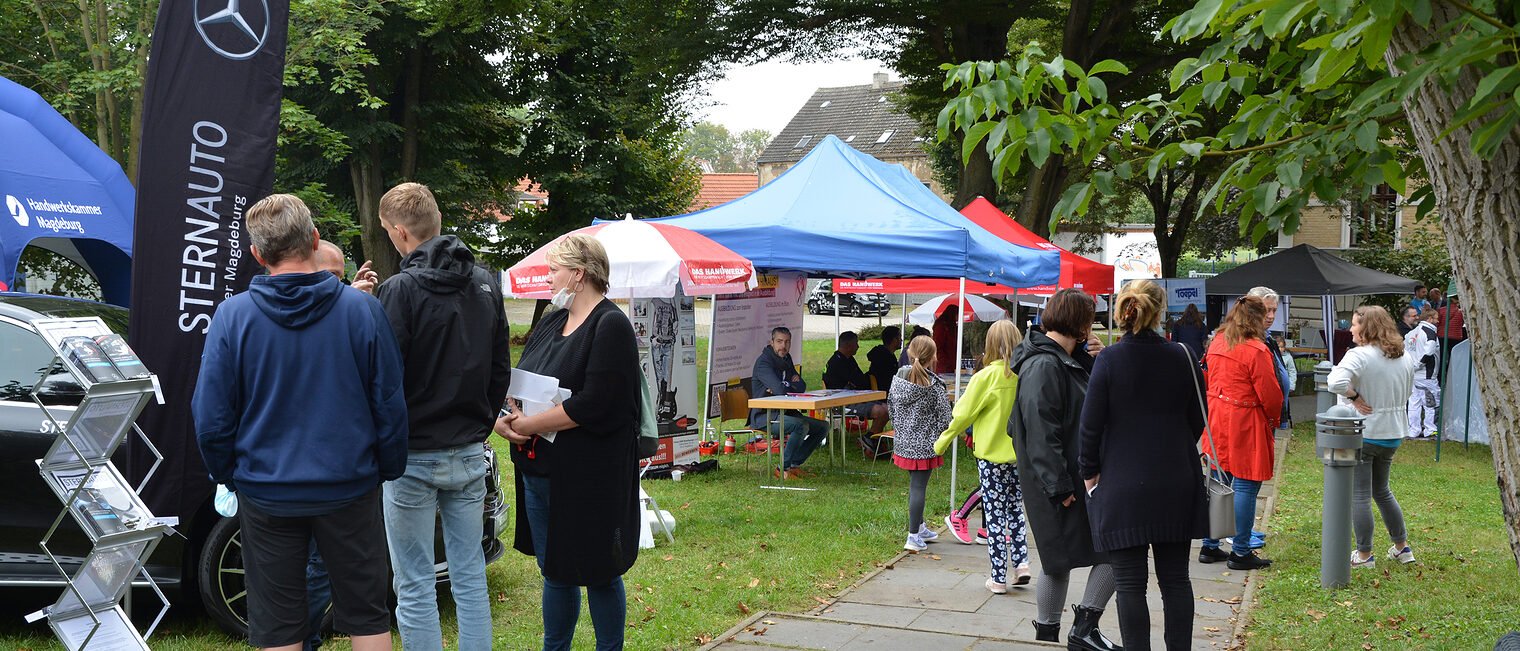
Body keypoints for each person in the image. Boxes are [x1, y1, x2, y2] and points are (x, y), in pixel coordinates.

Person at [192, 194, 406, 651]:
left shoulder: (233, 318)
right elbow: (388, 402)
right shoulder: (362, 310)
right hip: (348, 484)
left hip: (268, 489)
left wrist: (229, 473)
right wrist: (385, 467)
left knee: (278, 624)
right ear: (313, 240)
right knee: (367, 617)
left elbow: (210, 416)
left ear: (257, 254)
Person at [368, 182, 510, 651]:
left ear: (400, 231)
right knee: (469, 578)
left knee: (413, 583)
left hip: (413, 454)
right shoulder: (486, 282)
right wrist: (479, 423)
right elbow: (499, 368)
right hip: (467, 449)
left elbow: (383, 380)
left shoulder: (399, 290)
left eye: (389, 232)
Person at [495, 234, 641, 650]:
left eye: (555, 269)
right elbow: (520, 380)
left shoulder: (610, 325)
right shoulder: (549, 321)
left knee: (599, 571)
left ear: (578, 275)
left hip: (590, 476)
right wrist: (508, 419)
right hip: (541, 469)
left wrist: (531, 423)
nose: (548, 276)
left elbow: (598, 403)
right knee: (555, 571)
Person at [1078, 279, 1208, 650]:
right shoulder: (1182, 355)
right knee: (1176, 580)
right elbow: (1198, 417)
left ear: (1124, 309)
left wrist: (1090, 476)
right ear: (1161, 311)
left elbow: (1090, 426)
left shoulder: (1109, 359)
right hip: (1176, 479)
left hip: (1121, 483)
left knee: (1130, 585)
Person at [1007, 288, 1119, 651]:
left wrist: (1093, 361)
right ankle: (1080, 630)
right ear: (1079, 323)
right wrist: (1060, 485)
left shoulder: (1060, 358)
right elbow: (1040, 432)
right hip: (1060, 482)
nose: (1093, 325)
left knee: (1061, 560)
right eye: (1090, 318)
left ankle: (1053, 636)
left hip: (1066, 478)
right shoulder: (1044, 364)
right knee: (1107, 553)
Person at [935, 319, 1030, 593]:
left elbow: (962, 414)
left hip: (990, 457)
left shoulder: (984, 377)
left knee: (994, 515)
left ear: (988, 345)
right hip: (1019, 456)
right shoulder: (1026, 374)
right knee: (1016, 511)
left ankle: (998, 577)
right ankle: (1022, 563)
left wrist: (942, 442)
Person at [1197, 297, 1283, 570]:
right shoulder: (1256, 349)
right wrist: (1272, 420)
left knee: (1218, 482)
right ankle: (1241, 551)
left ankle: (1210, 545)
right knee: (1245, 484)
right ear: (1256, 319)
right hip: (1245, 419)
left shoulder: (1218, 341)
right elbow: (1270, 395)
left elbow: (1207, 378)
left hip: (1217, 417)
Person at [1329, 306, 1418, 568]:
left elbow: (1334, 382)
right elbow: (1409, 391)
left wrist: (1354, 397)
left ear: (1366, 327)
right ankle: (1402, 548)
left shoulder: (1360, 355)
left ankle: (1364, 555)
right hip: (1392, 434)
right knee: (1382, 491)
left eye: (1354, 325)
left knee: (1360, 494)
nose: (1350, 329)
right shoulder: (1403, 356)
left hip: (1365, 433)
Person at [889, 335, 951, 551]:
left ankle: (920, 526)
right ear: (933, 357)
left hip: (903, 443)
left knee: (915, 486)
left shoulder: (897, 381)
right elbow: (946, 419)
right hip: (925, 446)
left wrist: (901, 431)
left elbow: (891, 410)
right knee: (918, 489)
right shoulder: (935, 386)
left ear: (909, 353)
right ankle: (913, 536)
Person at [748, 327, 830, 479]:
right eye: (779, 341)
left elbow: (801, 385)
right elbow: (780, 389)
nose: (783, 346)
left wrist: (785, 385)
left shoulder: (787, 358)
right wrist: (787, 385)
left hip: (786, 412)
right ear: (772, 342)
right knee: (801, 426)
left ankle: (793, 464)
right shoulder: (764, 363)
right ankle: (782, 469)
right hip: (765, 416)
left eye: (787, 342)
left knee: (823, 427)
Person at [822, 331, 890, 437]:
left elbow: (859, 380)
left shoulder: (847, 359)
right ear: (849, 346)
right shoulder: (838, 363)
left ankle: (873, 438)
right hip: (841, 403)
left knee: (888, 408)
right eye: (856, 344)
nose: (858, 347)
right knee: (881, 412)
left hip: (854, 398)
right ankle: (870, 440)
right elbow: (860, 382)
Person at [1247, 286, 1292, 430]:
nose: (1271, 316)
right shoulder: (1249, 342)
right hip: (1255, 420)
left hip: (1269, 419)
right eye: (1267, 310)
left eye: (1274, 310)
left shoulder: (1268, 338)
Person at [1404, 308, 1441, 439]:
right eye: (1436, 318)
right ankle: (1431, 430)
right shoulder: (1430, 333)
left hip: (1412, 374)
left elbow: (1404, 352)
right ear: (1430, 319)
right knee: (1431, 402)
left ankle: (1413, 430)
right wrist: (1419, 365)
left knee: (1414, 402)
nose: (1438, 321)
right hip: (1427, 375)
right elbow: (1429, 352)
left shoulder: (1411, 333)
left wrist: (1411, 367)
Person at [866, 326, 904, 392]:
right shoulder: (886, 360)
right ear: (894, 340)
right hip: (886, 393)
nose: (901, 340)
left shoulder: (883, 354)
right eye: (900, 337)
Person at [933, 306, 960, 373]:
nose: (958, 318)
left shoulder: (952, 326)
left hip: (951, 363)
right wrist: (945, 361)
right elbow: (938, 346)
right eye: (957, 315)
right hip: (944, 365)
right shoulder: (941, 327)